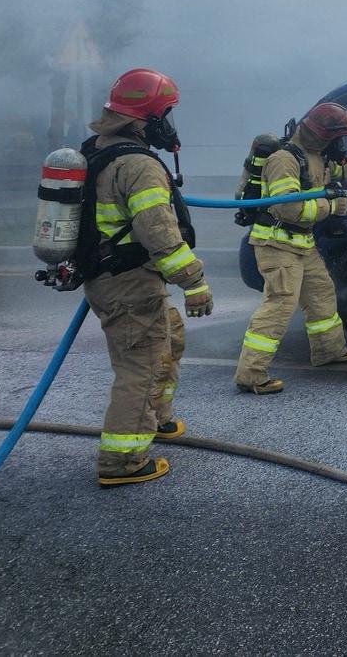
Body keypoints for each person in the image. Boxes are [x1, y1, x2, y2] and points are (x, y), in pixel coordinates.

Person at [84, 69, 212, 487]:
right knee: (140, 365)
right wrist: (194, 282)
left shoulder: (100, 149)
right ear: (147, 119)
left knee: (167, 338)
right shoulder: (138, 165)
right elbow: (159, 232)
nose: (169, 125)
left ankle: (157, 419)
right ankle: (122, 461)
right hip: (129, 282)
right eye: (166, 115)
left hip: (120, 279)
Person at [234, 101, 347, 394]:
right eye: (336, 137)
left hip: (301, 242)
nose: (340, 144)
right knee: (280, 304)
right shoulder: (284, 160)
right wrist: (331, 206)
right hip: (277, 242)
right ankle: (251, 374)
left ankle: (328, 352)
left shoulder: (318, 156)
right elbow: (287, 209)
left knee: (321, 293)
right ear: (320, 133)